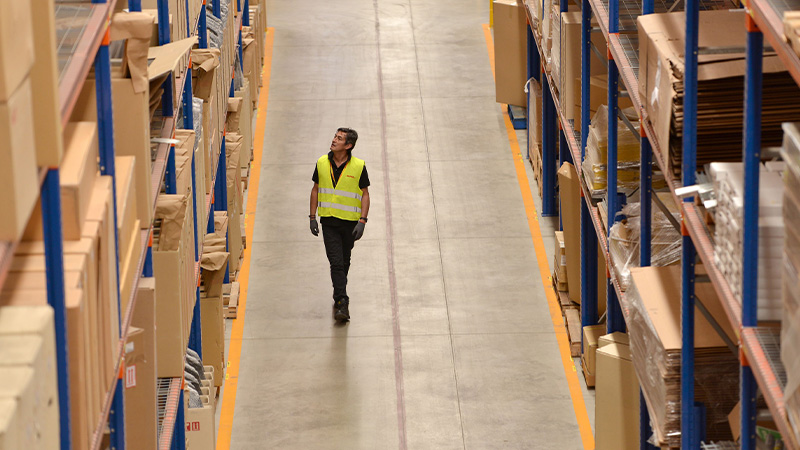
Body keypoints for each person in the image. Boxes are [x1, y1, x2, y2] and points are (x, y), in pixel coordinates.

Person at [309, 128, 370, 322]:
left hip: (350, 223)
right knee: (335, 262)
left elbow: (365, 194)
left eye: (339, 138)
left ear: (348, 145)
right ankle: (342, 302)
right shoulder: (321, 162)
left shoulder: (358, 166)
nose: (334, 140)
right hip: (329, 222)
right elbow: (315, 189)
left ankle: (340, 290)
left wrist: (362, 220)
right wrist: (312, 217)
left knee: (344, 261)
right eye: (335, 136)